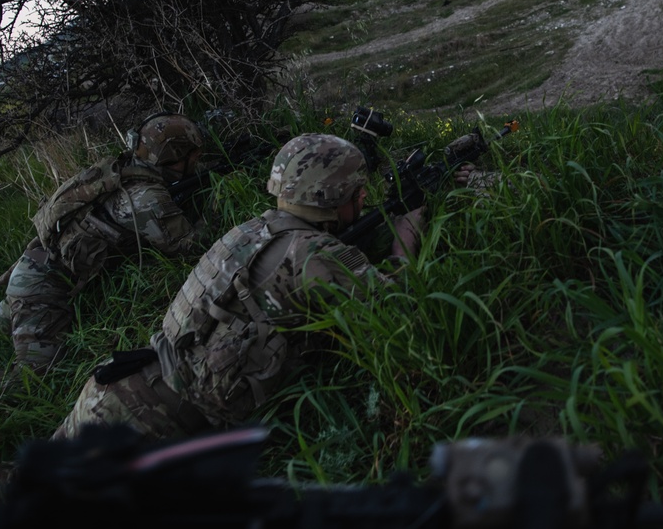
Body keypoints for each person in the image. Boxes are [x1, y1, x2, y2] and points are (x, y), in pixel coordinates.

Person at [51, 132, 424, 441]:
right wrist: (404, 238)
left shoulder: (251, 229)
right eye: (357, 189)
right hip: (149, 426)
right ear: (332, 196)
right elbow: (401, 312)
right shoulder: (314, 255)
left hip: (115, 387)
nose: (363, 197)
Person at [0, 113, 206, 414]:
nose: (198, 161)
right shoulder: (146, 196)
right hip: (43, 289)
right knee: (35, 374)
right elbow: (189, 248)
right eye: (194, 156)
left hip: (31, 266)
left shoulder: (119, 170)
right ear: (175, 156)